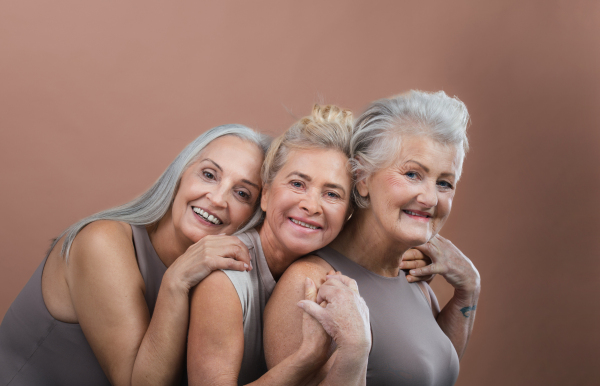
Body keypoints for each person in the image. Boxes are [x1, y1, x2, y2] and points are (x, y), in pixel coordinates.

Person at [0, 124, 271, 386]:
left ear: (256, 214)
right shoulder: (101, 243)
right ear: (180, 175)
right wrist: (175, 281)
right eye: (209, 175)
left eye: (242, 193)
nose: (217, 199)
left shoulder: (222, 279)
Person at [264, 91, 481, 385]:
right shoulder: (310, 284)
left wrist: (468, 291)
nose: (430, 198)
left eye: (444, 183)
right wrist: (354, 349)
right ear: (363, 178)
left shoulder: (413, 280)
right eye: (413, 174)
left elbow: (431, 375)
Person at [187, 105, 373, 386]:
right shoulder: (224, 279)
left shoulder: (331, 271)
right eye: (298, 184)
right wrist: (306, 358)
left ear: (348, 215)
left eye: (332, 193)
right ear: (265, 194)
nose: (311, 205)